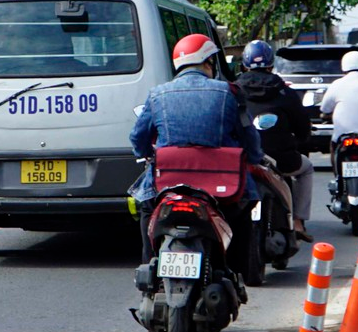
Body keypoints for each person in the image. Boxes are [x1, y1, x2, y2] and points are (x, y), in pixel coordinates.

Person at [131, 33, 265, 277]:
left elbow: (138, 138)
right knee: (246, 208)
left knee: (146, 209)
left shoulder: (157, 94)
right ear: (208, 63)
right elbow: (249, 138)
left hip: (166, 183)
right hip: (223, 187)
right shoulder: (229, 93)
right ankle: (237, 272)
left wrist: (145, 154)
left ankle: (148, 268)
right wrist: (254, 158)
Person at [234, 39, 314, 240]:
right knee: (307, 169)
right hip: (282, 160)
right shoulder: (285, 92)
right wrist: (298, 141)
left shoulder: (232, 91)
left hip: (241, 160)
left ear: (244, 64)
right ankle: (297, 222)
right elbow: (303, 128)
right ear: (271, 64)